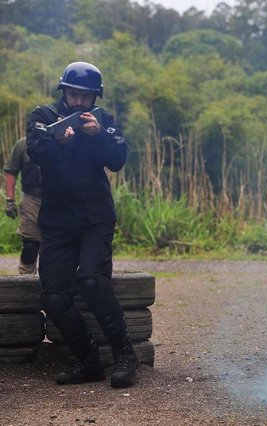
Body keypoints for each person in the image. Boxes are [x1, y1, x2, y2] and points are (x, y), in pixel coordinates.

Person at [26, 61, 137, 387]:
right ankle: (88, 362)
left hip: (94, 216)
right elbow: (35, 152)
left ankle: (125, 354)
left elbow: (117, 159)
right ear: (64, 91)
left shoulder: (104, 120)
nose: (78, 102)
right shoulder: (43, 117)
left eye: (85, 97)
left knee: (91, 280)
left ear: (94, 97)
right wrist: (58, 139)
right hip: (58, 219)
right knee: (55, 296)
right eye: (73, 94)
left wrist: (98, 136)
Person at [3, 136, 42, 274]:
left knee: (60, 246)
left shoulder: (64, 138)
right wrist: (10, 200)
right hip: (32, 200)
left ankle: (57, 286)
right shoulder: (23, 144)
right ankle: (26, 282)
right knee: (30, 245)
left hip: (60, 201)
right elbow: (11, 171)